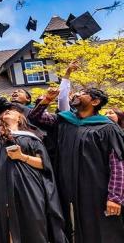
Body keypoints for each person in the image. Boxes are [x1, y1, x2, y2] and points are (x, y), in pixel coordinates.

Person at [0, 71, 66, 243]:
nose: (6, 113)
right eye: (4, 113)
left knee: (33, 224)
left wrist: (22, 156)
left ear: (20, 118)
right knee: (4, 226)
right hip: (2, 185)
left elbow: (44, 164)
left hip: (30, 186)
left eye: (11, 112)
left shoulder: (32, 137)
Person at [27, 73, 124, 241]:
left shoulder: (107, 128)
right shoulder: (65, 121)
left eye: (83, 93)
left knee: (101, 232)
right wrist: (47, 100)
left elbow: (117, 164)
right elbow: (35, 118)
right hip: (66, 189)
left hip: (97, 193)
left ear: (95, 102)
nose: (77, 94)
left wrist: (115, 197)